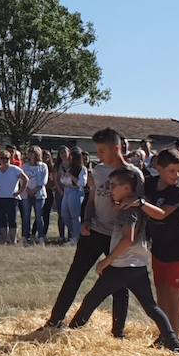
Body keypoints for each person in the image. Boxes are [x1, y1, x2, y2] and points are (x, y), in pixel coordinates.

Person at [66, 168, 179, 355]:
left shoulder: (129, 211)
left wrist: (106, 261)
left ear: (126, 188)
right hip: (138, 266)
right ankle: (174, 342)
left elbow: (128, 239)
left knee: (91, 300)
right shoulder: (134, 207)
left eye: (114, 186)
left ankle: (69, 334)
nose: (110, 190)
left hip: (121, 266)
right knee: (151, 308)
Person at [45, 128, 138, 336]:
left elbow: (137, 209)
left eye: (102, 150)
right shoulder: (98, 170)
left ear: (116, 148)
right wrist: (86, 219)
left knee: (119, 285)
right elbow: (92, 198)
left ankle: (118, 333)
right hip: (94, 231)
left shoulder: (134, 174)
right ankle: (54, 321)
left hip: (116, 238)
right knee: (74, 276)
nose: (99, 155)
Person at [138, 149, 179, 340]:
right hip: (161, 246)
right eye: (171, 171)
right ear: (159, 168)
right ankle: (165, 333)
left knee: (174, 291)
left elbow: (160, 213)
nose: (177, 175)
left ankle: (175, 338)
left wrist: (140, 203)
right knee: (161, 289)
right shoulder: (149, 184)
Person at [0, 151, 27, 244]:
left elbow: (25, 179)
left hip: (11, 198)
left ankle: (13, 240)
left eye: (7, 158)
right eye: (2, 158)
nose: (4, 161)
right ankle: (5, 239)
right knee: (2, 219)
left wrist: (19, 191)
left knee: (12, 219)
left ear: (10, 159)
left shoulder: (15, 169)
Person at [57, 148, 88, 244]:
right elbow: (63, 181)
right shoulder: (69, 167)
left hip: (76, 192)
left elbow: (81, 183)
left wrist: (70, 176)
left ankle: (76, 237)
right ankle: (74, 232)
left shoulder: (82, 169)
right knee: (64, 214)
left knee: (75, 216)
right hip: (67, 191)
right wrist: (63, 176)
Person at [21, 146, 49, 244]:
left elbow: (43, 181)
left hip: (39, 194)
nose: (31, 154)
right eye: (29, 152)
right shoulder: (24, 166)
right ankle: (25, 236)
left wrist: (35, 190)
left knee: (38, 216)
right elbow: (22, 179)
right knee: (26, 216)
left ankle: (40, 236)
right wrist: (28, 190)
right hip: (26, 193)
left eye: (33, 152)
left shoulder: (43, 166)